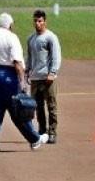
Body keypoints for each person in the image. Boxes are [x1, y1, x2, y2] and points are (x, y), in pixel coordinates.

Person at [0, 12, 49, 152]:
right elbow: (17, 62)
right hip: (8, 75)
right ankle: (35, 139)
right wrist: (23, 82)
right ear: (10, 24)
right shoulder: (11, 37)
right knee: (18, 110)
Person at [26, 9, 62, 144]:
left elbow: (56, 56)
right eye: (35, 20)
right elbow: (29, 56)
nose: (37, 23)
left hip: (47, 77)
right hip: (35, 77)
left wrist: (52, 73)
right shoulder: (31, 38)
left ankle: (52, 132)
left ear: (45, 22)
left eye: (40, 21)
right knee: (37, 106)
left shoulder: (50, 37)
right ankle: (42, 131)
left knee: (51, 105)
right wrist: (27, 70)